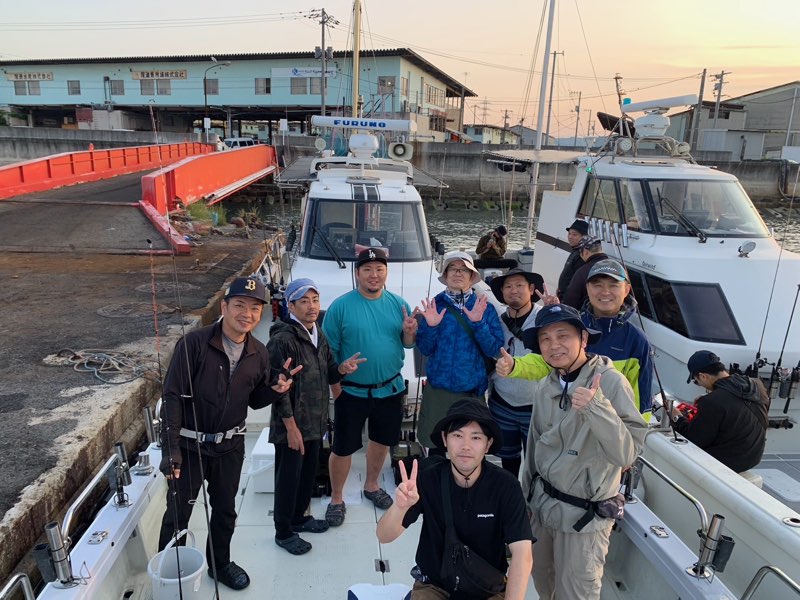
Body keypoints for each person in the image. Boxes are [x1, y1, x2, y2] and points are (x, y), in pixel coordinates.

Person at [496, 303, 647, 600]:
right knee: (543, 581)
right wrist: (526, 499)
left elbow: (627, 455)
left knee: (575, 593)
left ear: (584, 338)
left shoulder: (611, 382)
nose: (554, 345)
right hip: (542, 507)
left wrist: (596, 408)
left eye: (563, 335)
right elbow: (535, 446)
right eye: (545, 339)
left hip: (584, 519)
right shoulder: (546, 384)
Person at [158, 277, 299, 590]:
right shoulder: (194, 344)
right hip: (189, 445)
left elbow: (254, 400)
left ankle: (220, 564)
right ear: (224, 307)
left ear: (260, 314)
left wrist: (276, 389)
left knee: (225, 510)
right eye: (239, 305)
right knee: (178, 513)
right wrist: (171, 449)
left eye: (254, 308)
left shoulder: (259, 353)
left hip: (231, 445)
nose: (246, 314)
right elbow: (172, 396)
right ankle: (171, 574)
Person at [376, 399, 534, 600]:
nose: (465, 446)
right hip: (434, 586)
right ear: (445, 439)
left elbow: (522, 555)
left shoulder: (506, 486)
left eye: (476, 437)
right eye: (457, 435)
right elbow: (384, 536)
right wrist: (399, 507)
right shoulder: (427, 479)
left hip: (487, 589)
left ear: (488, 444)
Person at [267, 278, 366, 555]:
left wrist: (342, 369)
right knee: (288, 479)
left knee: (307, 474)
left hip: (314, 422)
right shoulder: (281, 340)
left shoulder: (316, 332)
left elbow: (330, 370)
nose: (311, 306)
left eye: (315, 300)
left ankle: (299, 517)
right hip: (292, 426)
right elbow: (277, 389)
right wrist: (290, 427)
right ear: (290, 306)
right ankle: (283, 532)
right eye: (303, 301)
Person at [321, 248, 419, 526]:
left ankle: (372, 485)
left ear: (386, 273)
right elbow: (328, 354)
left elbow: (407, 344)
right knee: (343, 448)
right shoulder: (340, 307)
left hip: (390, 390)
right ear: (357, 273)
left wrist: (409, 332)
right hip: (350, 391)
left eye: (379, 269)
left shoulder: (399, 304)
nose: (374, 275)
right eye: (367, 269)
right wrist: (337, 390)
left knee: (381, 441)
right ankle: (337, 498)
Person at [416, 251, 504, 451]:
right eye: (453, 269)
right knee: (436, 448)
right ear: (445, 275)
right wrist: (431, 326)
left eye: (464, 270)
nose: (458, 273)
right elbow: (425, 348)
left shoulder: (485, 308)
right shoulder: (434, 305)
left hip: (471, 391)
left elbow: (494, 349)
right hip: (438, 391)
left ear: (472, 276)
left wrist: (479, 324)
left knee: (468, 450)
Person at [487, 267, 545, 476]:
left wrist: (557, 310)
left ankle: (532, 495)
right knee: (508, 459)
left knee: (537, 462)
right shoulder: (496, 321)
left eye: (520, 285)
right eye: (508, 286)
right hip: (502, 403)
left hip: (537, 406)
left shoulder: (544, 317)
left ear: (531, 289)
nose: (514, 290)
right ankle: (511, 492)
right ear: (502, 292)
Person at [672, 351, 770, 473]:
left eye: (696, 381)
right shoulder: (757, 384)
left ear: (703, 376)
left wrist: (677, 417)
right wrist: (707, 402)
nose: (699, 384)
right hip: (754, 456)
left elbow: (695, 439)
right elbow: (737, 407)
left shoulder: (711, 402)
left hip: (728, 461)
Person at [581, 259, 654, 415]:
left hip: (612, 426)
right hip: (569, 424)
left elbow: (642, 401)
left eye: (613, 285)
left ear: (627, 290)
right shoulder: (572, 328)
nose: (605, 292)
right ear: (587, 288)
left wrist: (636, 428)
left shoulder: (638, 340)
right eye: (597, 285)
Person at [560, 235, 606, 309]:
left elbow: (570, 301)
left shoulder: (582, 272)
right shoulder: (617, 267)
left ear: (585, 251)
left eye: (580, 251)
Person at [556, 219, 589, 297]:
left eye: (574, 234)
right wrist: (560, 288)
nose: (570, 237)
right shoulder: (575, 250)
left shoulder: (582, 255)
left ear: (584, 237)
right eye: (569, 234)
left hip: (569, 296)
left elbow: (578, 280)